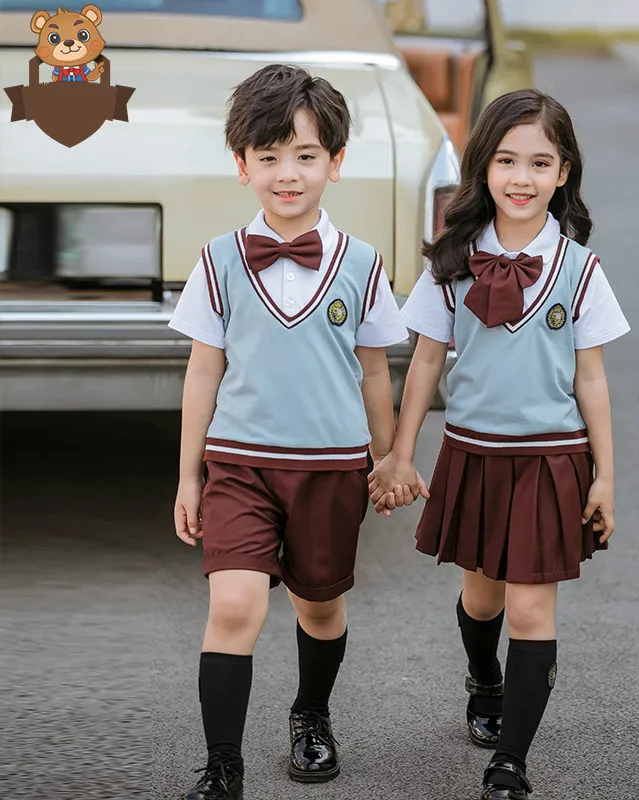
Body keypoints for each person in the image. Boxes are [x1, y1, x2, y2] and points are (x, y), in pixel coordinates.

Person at [369, 88, 629, 800]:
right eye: (507, 160)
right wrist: (399, 451)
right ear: (483, 168)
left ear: (564, 172)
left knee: (528, 610)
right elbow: (424, 361)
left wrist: (605, 475)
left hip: (551, 461)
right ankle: (485, 680)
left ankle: (509, 763)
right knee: (481, 601)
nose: (522, 178)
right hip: (473, 455)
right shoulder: (453, 262)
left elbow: (593, 380)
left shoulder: (580, 271)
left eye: (540, 163)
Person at [168, 64, 407, 800]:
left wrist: (392, 454)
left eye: (305, 155)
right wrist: (189, 475)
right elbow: (203, 372)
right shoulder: (218, 260)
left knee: (319, 605)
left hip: (332, 467)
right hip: (239, 462)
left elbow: (374, 372)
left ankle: (311, 712)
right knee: (234, 604)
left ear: (337, 163)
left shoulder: (362, 265)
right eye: (267, 157)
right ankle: (223, 766)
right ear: (241, 167)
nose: (287, 173)